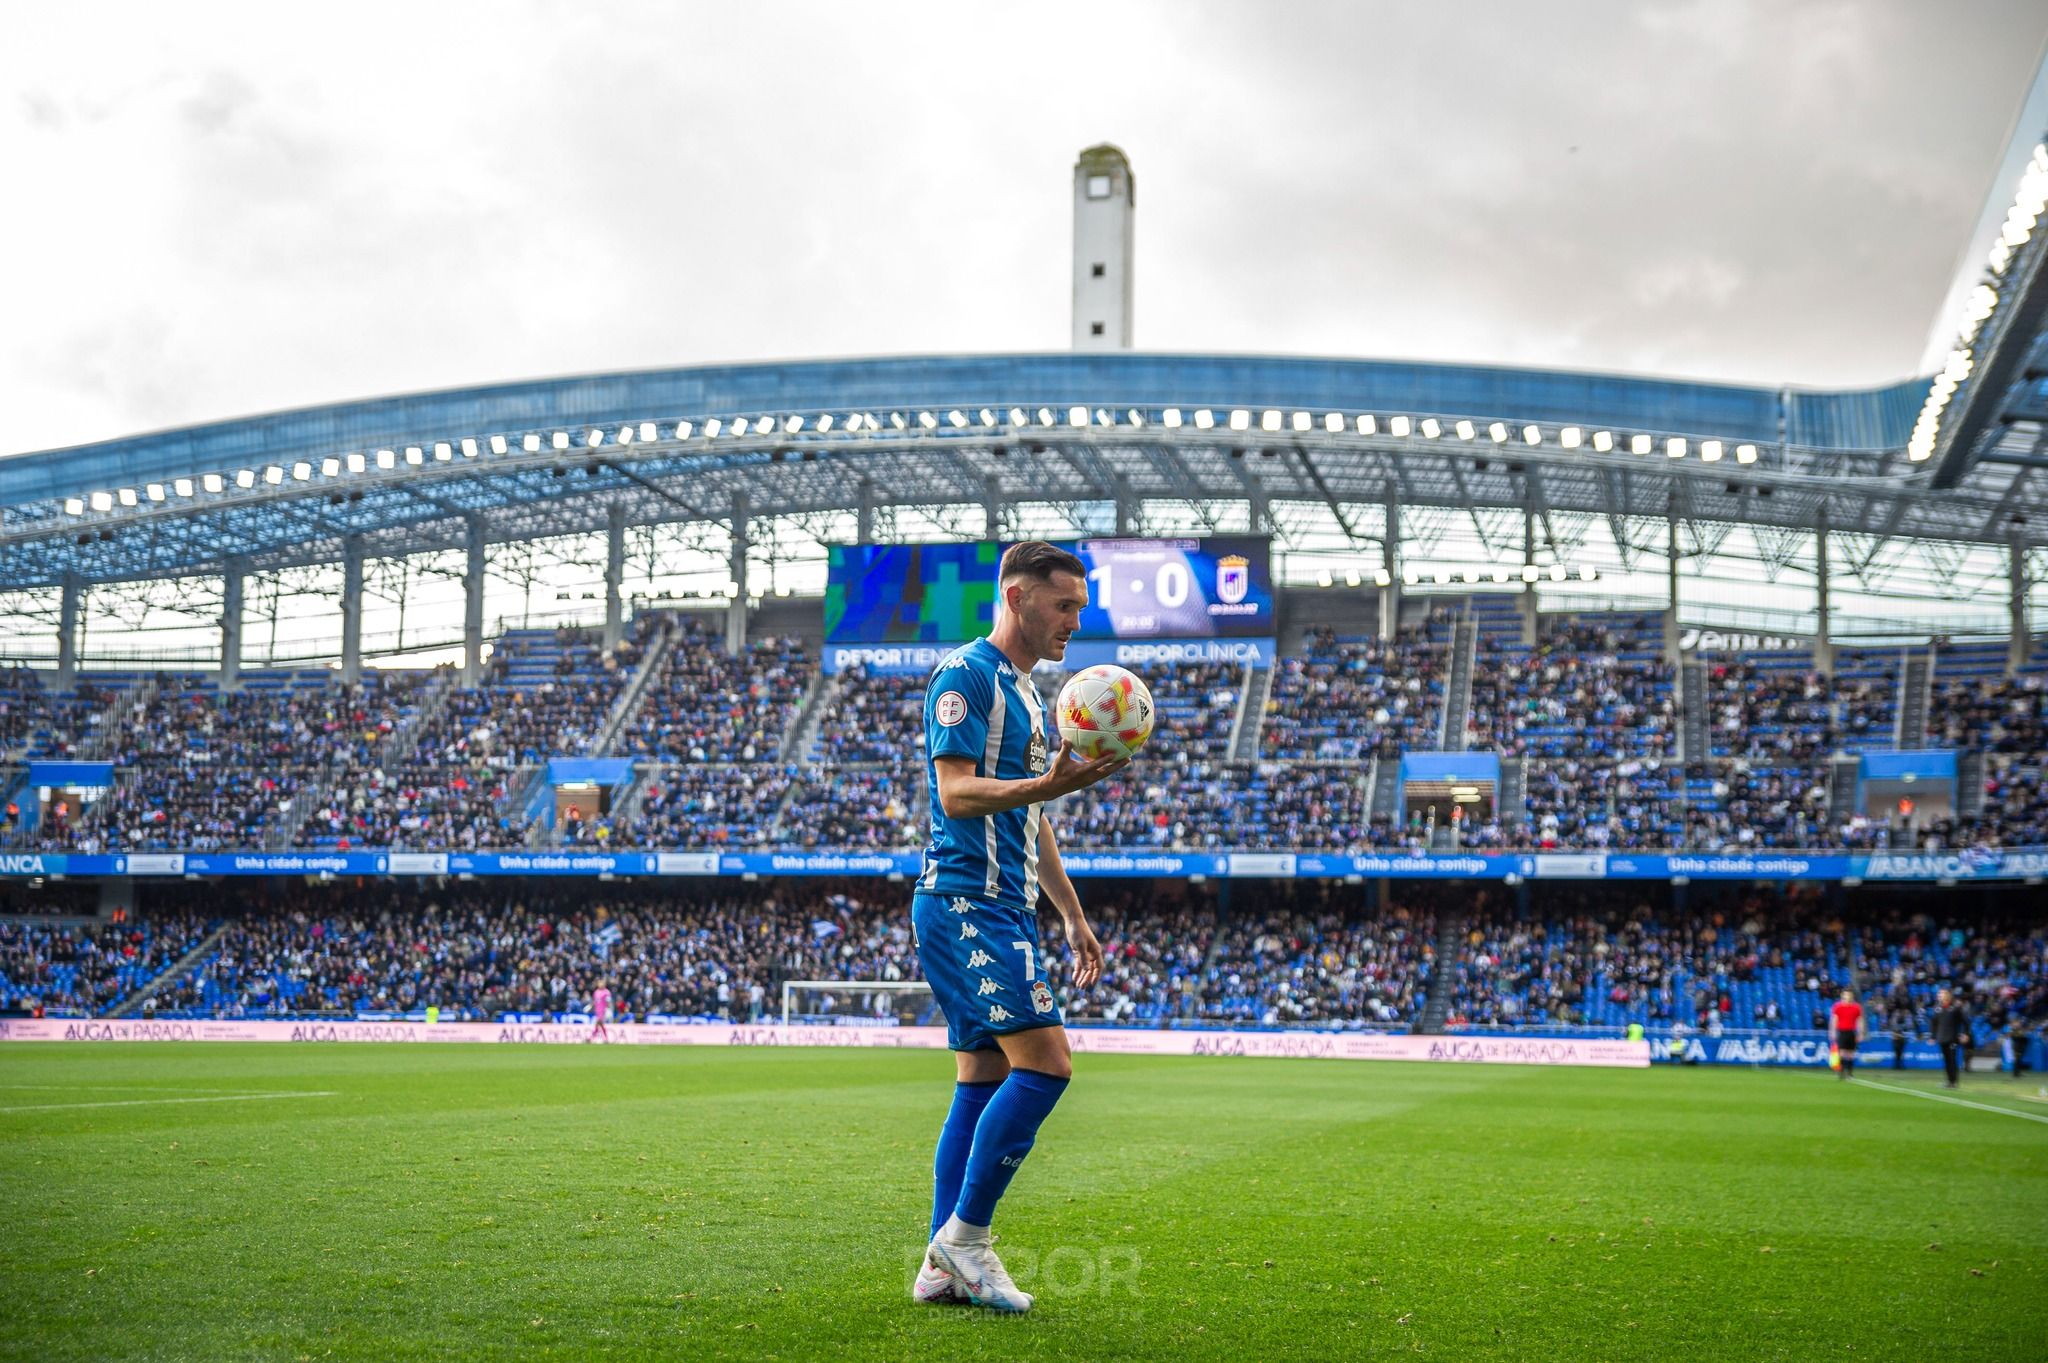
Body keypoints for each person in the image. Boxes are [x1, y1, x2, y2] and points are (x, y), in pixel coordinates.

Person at [908, 541, 1124, 1313]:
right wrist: (1045, 782)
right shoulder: (965, 676)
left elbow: (1031, 818)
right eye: (1063, 604)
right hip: (965, 899)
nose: (1075, 620)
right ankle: (967, 1238)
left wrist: (1071, 914)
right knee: (1048, 1064)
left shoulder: (1032, 696)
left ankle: (941, 1262)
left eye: (1080, 606)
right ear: (1017, 596)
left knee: (984, 1076)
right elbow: (958, 792)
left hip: (1003, 904)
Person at [1930, 988, 1968, 1089]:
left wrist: (1965, 1034)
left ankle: (1954, 1082)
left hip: (1952, 1038)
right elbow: (1934, 1023)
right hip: (1942, 1039)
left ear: (1947, 996)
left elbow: (1965, 1022)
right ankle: (1949, 1081)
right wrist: (1933, 1036)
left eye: (1941, 994)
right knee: (1946, 1061)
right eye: (1939, 994)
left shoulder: (1955, 1008)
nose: (1939, 996)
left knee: (1952, 1060)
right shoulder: (1938, 1009)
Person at [1828, 987, 1865, 1080]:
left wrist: (1860, 1033)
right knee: (1841, 1053)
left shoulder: (1856, 1007)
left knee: (1851, 1054)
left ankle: (1849, 1073)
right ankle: (1840, 1072)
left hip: (1851, 1032)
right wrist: (1832, 1032)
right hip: (1842, 1031)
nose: (1847, 996)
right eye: (1846, 994)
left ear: (1852, 996)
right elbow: (1834, 1020)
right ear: (1842, 995)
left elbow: (1860, 1020)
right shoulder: (1838, 1006)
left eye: (1849, 995)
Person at [1885, 975, 1914, 1071]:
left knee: (1901, 1044)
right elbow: (1891, 1006)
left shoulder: (1908, 995)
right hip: (1896, 1017)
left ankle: (1899, 1063)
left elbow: (1911, 1007)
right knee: (1896, 1044)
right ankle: (1897, 1063)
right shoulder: (1894, 993)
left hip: (1903, 1017)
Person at [589, 979, 612, 1043]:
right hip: (597, 1011)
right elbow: (594, 1001)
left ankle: (591, 1038)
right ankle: (606, 1039)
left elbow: (608, 1002)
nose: (600, 984)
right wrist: (591, 1007)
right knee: (601, 1025)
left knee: (598, 1023)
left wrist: (608, 1009)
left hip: (603, 1011)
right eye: (599, 983)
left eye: (601, 983)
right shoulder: (596, 992)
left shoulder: (607, 992)